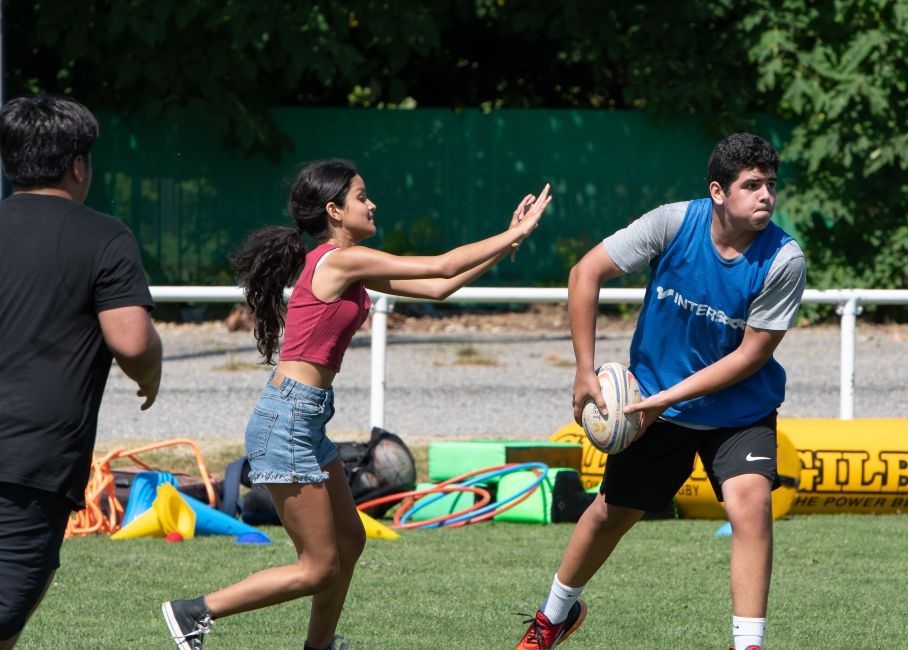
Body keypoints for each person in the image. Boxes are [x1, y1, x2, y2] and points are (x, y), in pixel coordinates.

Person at [162, 158, 551, 650]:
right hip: (287, 422)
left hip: (306, 420)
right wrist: (514, 229)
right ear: (334, 211)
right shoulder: (338, 260)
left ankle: (319, 647)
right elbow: (441, 264)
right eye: (362, 197)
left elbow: (440, 286)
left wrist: (510, 242)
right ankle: (195, 612)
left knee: (351, 542)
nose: (372, 204)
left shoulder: (350, 269)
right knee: (318, 565)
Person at [515, 133, 806, 650]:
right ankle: (553, 616)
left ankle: (749, 645)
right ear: (718, 191)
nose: (766, 196)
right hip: (653, 404)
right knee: (610, 513)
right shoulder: (673, 223)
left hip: (738, 409)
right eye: (752, 185)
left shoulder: (784, 259)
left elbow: (750, 356)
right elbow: (585, 273)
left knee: (751, 505)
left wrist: (665, 400)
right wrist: (585, 370)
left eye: (771, 185)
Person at [0, 95, 162, 649]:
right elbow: (131, 340)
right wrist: (150, 375)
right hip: (30, 460)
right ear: (78, 165)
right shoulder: (104, 236)